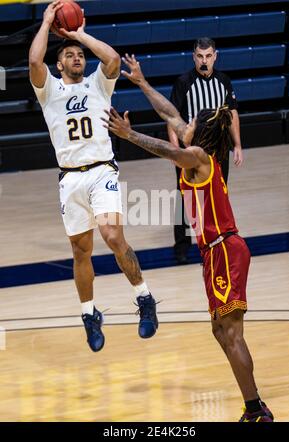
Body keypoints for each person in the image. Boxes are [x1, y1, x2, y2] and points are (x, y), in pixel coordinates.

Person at [102, 54, 274, 422]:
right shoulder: (199, 153)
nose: (186, 122)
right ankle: (252, 405)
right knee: (220, 331)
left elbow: (168, 147)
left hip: (225, 249)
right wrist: (143, 83)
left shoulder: (198, 155)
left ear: (203, 133)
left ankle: (256, 408)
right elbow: (170, 115)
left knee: (231, 334)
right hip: (215, 253)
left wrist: (128, 134)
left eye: (193, 121)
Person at [28, 1, 158, 352]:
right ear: (59, 64)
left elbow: (113, 60)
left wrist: (80, 34)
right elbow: (34, 62)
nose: (76, 58)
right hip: (70, 180)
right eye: (69, 54)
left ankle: (144, 299)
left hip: (102, 171)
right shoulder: (49, 90)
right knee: (80, 250)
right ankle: (89, 314)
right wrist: (46, 22)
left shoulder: (99, 85)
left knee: (113, 235)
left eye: (79, 54)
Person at [169, 38, 243, 264]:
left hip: (218, 150)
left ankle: (216, 241)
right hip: (191, 150)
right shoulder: (184, 82)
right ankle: (182, 245)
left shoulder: (223, 81)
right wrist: (174, 150)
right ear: (194, 57)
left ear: (215, 56)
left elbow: (231, 114)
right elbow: (172, 118)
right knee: (186, 198)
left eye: (208, 56)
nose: (204, 61)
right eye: (200, 56)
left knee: (217, 197)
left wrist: (237, 145)